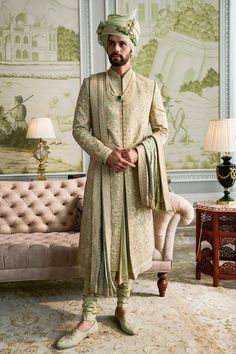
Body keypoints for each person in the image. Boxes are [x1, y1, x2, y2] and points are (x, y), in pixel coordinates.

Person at [56, 13, 170, 350]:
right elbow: (79, 129)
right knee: (96, 244)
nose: (115, 48)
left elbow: (162, 131)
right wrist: (106, 154)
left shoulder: (149, 87)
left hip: (135, 180)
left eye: (122, 43)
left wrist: (137, 153)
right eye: (111, 42)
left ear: (132, 47)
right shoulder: (91, 85)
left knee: (130, 243)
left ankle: (122, 307)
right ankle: (88, 316)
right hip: (102, 179)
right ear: (106, 45)